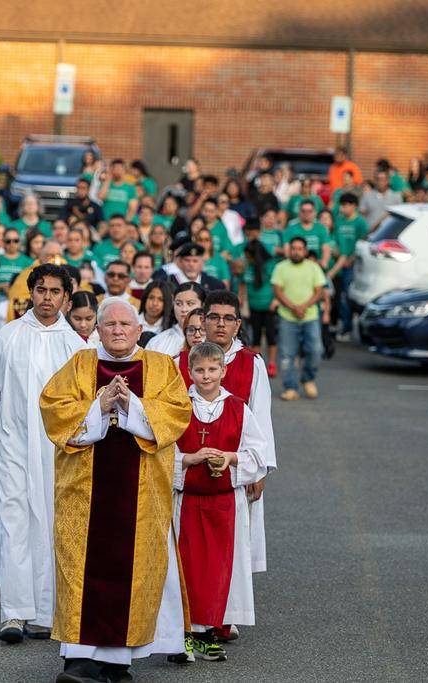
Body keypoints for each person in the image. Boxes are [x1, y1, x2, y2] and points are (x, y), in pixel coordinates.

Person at [39, 297, 192, 683]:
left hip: (141, 493)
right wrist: (98, 405)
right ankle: (79, 660)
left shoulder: (160, 366)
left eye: (125, 325)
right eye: (110, 325)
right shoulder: (80, 364)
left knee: (133, 571)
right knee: (82, 568)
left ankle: (117, 662)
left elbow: (177, 414)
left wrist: (133, 405)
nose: (118, 330)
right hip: (84, 491)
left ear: (139, 330)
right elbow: (53, 408)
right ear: (96, 331)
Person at [0, 264, 87, 644]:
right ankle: (14, 614)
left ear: (66, 297)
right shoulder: (8, 335)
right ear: (30, 293)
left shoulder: (79, 347)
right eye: (41, 290)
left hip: (60, 451)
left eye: (54, 291)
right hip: (15, 444)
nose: (47, 298)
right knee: (14, 518)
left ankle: (47, 613)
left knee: (52, 524)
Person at [173, 341, 267, 662]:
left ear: (223, 371)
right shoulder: (178, 406)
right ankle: (184, 634)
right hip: (187, 501)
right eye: (199, 369)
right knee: (187, 567)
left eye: (213, 369)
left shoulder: (239, 408)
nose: (206, 375)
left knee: (218, 569)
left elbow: (257, 453)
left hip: (225, 503)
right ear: (189, 371)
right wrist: (190, 458)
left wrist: (229, 458)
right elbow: (164, 453)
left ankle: (209, 631)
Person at [201, 289, 277, 578]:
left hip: (238, 464)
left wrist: (260, 469)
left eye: (228, 318)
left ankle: (231, 611)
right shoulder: (186, 360)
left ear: (238, 324)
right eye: (214, 317)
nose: (221, 324)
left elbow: (262, 417)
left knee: (237, 537)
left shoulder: (251, 362)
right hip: (197, 460)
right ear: (204, 320)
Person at [271, 236, 325, 401]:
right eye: (293, 248)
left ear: (305, 251)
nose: (296, 251)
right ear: (289, 250)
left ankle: (308, 379)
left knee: (316, 350)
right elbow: (277, 290)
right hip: (287, 317)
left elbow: (319, 291)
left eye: (300, 249)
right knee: (287, 355)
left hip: (310, 317)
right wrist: (293, 307)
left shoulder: (314, 268)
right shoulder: (281, 267)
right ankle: (290, 387)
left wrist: (303, 307)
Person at [327, 193, 368, 341]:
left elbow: (363, 243)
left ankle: (348, 328)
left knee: (348, 296)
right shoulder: (339, 221)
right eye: (341, 205)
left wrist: (350, 259)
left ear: (354, 206)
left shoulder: (360, 222)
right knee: (340, 296)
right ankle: (343, 325)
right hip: (339, 264)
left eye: (345, 205)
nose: (342, 208)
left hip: (353, 265)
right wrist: (339, 256)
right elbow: (336, 241)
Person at [242, 235, 278, 377]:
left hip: (268, 306)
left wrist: (275, 301)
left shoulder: (269, 266)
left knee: (271, 336)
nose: (246, 258)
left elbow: (277, 284)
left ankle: (272, 364)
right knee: (255, 336)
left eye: (248, 256)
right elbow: (243, 285)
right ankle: (259, 365)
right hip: (253, 306)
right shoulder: (248, 267)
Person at [147, 281, 205, 357]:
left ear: (203, 305)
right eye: (178, 304)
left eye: (190, 303)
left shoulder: (213, 339)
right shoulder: (157, 342)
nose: (184, 309)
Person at [154, 243, 225, 292]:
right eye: (187, 260)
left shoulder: (215, 285)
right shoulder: (167, 282)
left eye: (195, 261)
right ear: (180, 262)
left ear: (202, 263)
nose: (191, 264)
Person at [282, 201, 331, 270]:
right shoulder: (291, 228)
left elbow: (326, 249)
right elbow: (287, 250)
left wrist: (324, 262)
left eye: (309, 211)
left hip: (316, 266)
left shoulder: (321, 228)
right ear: (299, 212)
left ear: (315, 212)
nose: (306, 214)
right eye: (303, 211)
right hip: (296, 266)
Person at [98, 159, 139, 223]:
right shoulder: (105, 185)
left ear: (124, 170)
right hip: (106, 221)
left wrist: (126, 222)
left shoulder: (130, 188)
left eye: (120, 169)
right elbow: (101, 197)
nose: (117, 171)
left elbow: (133, 208)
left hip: (121, 223)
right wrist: (107, 180)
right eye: (115, 169)